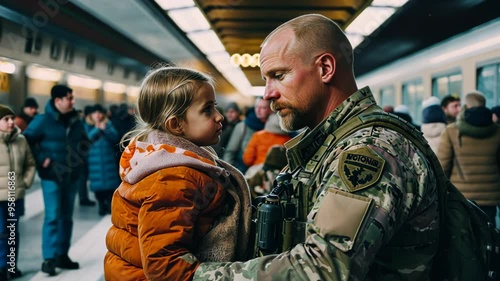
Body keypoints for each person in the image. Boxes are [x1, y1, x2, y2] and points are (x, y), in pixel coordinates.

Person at [194, 14, 439, 280]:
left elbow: (323, 269)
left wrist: (196, 275)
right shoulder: (329, 144)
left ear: (325, 68)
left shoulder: (368, 150)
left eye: (278, 75)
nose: (267, 93)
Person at [104, 66, 252, 281]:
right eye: (207, 109)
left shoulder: (169, 162)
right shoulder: (174, 178)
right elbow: (166, 266)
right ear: (176, 124)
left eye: (216, 107)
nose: (219, 117)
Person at [23, 85, 87, 276]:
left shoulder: (76, 120)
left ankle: (62, 255)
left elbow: (83, 141)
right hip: (51, 176)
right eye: (69, 98)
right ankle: (49, 259)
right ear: (58, 101)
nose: (73, 101)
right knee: (52, 216)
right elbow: (26, 139)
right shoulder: (42, 120)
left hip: (72, 176)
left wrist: (80, 160)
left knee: (67, 217)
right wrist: (42, 158)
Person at [437, 91, 500, 225]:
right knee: (488, 238)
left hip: (461, 197)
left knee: (464, 238)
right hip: (490, 198)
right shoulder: (497, 130)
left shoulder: (451, 130)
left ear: (466, 105)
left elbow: (443, 166)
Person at [0, 105, 36, 280]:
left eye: (11, 118)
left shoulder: (20, 140)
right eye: (5, 119)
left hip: (15, 194)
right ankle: (1, 266)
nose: (10, 122)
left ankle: (12, 266)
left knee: (13, 231)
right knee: (1, 232)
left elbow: (30, 163)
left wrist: (25, 182)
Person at [83, 104, 121, 216]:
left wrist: (106, 129)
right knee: (98, 186)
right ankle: (101, 205)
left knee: (110, 185)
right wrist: (97, 129)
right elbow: (88, 139)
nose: (98, 115)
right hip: (94, 160)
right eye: (95, 113)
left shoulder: (108, 125)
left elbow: (115, 138)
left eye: (100, 113)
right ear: (91, 115)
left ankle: (109, 204)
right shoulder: (87, 126)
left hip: (108, 159)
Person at [223, 97, 272, 173]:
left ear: (271, 110)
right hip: (244, 172)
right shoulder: (243, 126)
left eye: (263, 108)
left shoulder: (275, 128)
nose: (258, 111)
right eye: (256, 107)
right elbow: (230, 152)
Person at [242, 113, 291, 178]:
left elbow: (247, 159)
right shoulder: (289, 141)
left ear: (268, 122)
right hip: (278, 176)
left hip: (257, 174)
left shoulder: (257, 136)